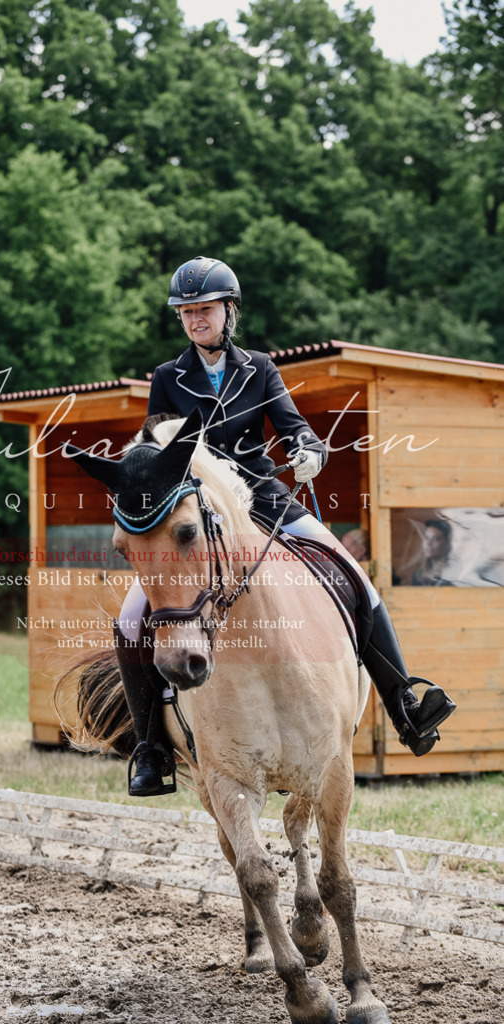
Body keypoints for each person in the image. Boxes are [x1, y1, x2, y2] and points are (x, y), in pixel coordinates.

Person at [117, 256, 456, 796]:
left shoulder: (260, 367)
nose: (195, 320)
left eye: (204, 310)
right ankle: (149, 750)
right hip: (198, 519)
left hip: (265, 503)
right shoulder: (167, 378)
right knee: (131, 616)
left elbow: (296, 428)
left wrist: (309, 453)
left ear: (229, 311)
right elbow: (158, 449)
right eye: (186, 313)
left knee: (356, 580)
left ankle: (405, 705)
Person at [412, 519, 453, 586]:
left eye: (436, 539)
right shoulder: (419, 573)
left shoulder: (450, 573)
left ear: (447, 544)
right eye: (426, 538)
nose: (428, 544)